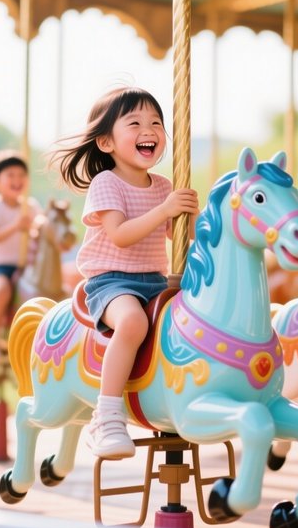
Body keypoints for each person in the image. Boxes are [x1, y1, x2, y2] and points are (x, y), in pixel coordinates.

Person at [50, 87, 199, 459]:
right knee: (132, 322)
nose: (149, 130)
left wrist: (193, 215)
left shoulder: (163, 186)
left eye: (156, 123)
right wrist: (165, 210)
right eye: (134, 123)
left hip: (155, 280)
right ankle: (107, 416)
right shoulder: (107, 183)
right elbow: (120, 234)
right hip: (111, 281)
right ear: (106, 142)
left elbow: (184, 237)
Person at [0, 149, 41, 361]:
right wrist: (16, 225)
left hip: (25, 265)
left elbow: (39, 231)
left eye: (21, 175)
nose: (17, 180)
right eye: (10, 175)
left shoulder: (30, 206)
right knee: (2, 289)